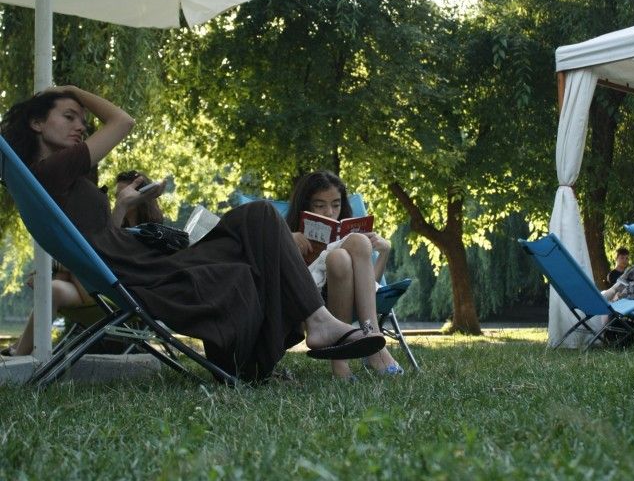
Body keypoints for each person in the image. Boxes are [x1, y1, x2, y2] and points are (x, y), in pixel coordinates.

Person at [0, 88, 384, 379]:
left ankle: (300, 332)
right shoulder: (51, 171)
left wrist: (122, 206)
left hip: (138, 264)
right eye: (69, 116)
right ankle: (314, 323)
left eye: (82, 119)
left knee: (257, 227)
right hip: (146, 272)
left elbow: (101, 241)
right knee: (259, 224)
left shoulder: (51, 181)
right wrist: (71, 89)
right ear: (37, 123)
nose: (82, 126)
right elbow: (123, 121)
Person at [1, 166, 165, 358]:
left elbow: (107, 260)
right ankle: (21, 352)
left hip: (121, 296)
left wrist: (54, 270)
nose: (118, 200)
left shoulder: (152, 234)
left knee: (60, 274)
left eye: (122, 195)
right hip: (98, 290)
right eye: (117, 196)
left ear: (141, 196)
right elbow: (102, 257)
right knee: (51, 289)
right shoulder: (117, 225)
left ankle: (17, 355)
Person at [286, 170, 403, 381]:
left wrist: (384, 252)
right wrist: (288, 241)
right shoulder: (289, 234)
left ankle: (341, 362)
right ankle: (374, 341)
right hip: (313, 304)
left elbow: (370, 285)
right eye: (319, 205)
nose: (329, 212)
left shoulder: (345, 238)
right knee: (357, 242)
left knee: (339, 257)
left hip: (350, 296)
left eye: (336, 205)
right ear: (306, 206)